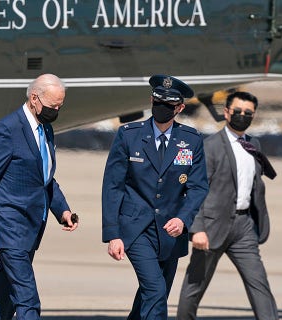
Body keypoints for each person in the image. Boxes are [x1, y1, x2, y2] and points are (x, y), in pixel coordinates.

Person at [0, 73, 79, 319]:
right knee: (27, 297)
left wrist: (62, 210)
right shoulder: (7, 130)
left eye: (60, 106)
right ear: (34, 99)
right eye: (53, 106)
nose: (57, 110)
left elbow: (44, 177)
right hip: (10, 225)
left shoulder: (46, 129)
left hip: (32, 226)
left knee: (3, 295)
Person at [102, 75, 209, 319]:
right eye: (157, 101)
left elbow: (198, 187)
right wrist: (113, 234)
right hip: (135, 228)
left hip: (171, 231)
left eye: (169, 104)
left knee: (151, 294)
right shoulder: (129, 135)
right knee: (156, 290)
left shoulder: (190, 141)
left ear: (180, 108)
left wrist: (183, 219)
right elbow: (112, 186)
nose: (162, 108)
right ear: (151, 100)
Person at [176, 91, 279, 320]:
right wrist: (197, 228)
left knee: (259, 284)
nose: (243, 115)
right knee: (194, 287)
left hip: (243, 227)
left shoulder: (254, 144)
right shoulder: (210, 146)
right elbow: (195, 189)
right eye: (238, 111)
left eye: (248, 113)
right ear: (226, 112)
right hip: (211, 227)